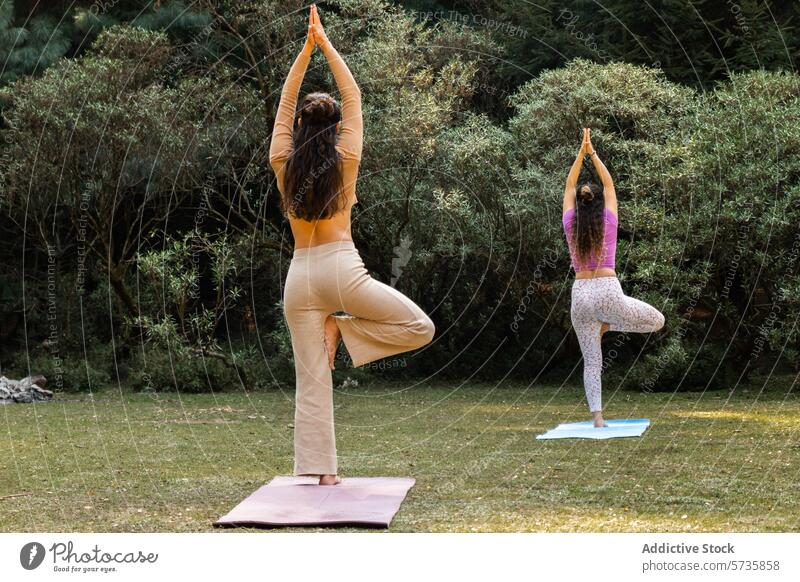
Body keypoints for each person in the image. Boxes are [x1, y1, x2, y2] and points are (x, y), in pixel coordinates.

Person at [270, 5, 435, 485]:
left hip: (299, 277)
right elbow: (354, 94)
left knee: (312, 381)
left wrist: (303, 53)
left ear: (299, 126)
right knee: (418, 326)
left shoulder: (283, 160)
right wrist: (324, 43)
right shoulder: (346, 158)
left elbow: (285, 101)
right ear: (336, 126)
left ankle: (323, 474)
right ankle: (347, 333)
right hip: (342, 270)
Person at [562, 128, 665, 427]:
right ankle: (608, 325)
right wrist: (592, 152)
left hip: (580, 294)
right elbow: (609, 183)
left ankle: (597, 417)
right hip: (608, 290)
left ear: (579, 204)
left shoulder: (570, 222)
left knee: (592, 362)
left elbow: (570, 184)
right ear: (599, 203)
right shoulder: (609, 218)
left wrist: (580, 155)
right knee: (656, 321)